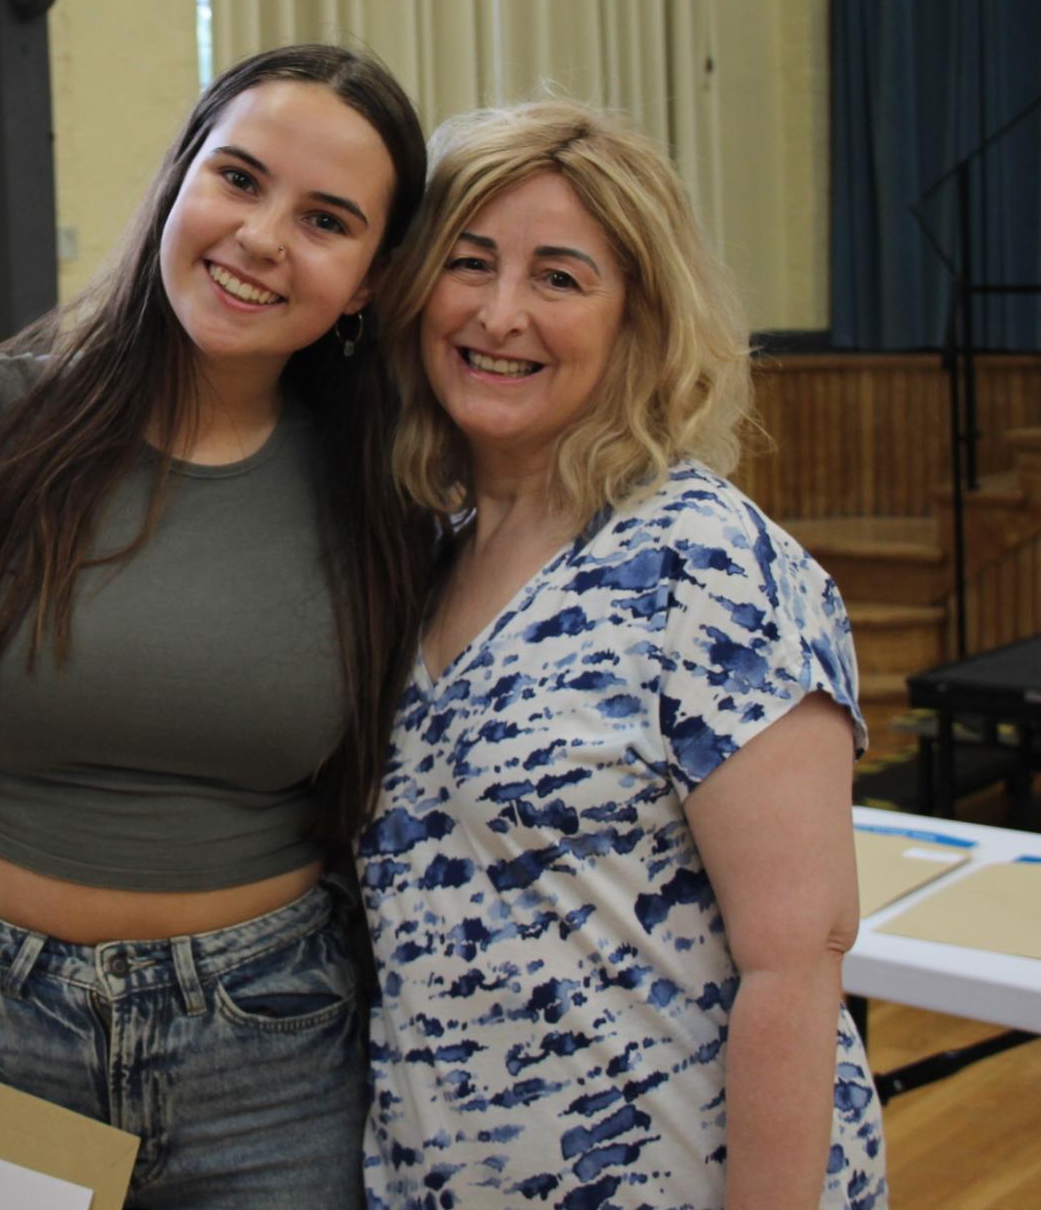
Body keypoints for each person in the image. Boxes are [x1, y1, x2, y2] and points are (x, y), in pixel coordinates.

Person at [0, 45, 430, 1210]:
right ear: (179, 178)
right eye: (239, 179)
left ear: (369, 284)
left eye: (327, 219)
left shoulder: (386, 494)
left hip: (274, 1045)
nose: (260, 237)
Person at [357, 100, 887, 1210]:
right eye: (470, 263)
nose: (501, 314)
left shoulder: (708, 564)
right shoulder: (418, 562)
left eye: (559, 277)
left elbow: (797, 970)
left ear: (636, 318)